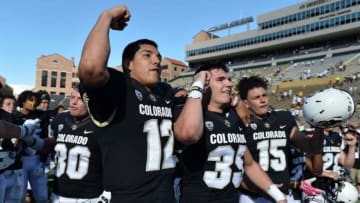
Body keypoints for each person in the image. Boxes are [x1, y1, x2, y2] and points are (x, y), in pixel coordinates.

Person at [78, 5, 189, 202]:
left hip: (166, 195)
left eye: (158, 57)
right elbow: (91, 68)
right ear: (129, 64)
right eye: (147, 55)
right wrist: (107, 16)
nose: (156, 61)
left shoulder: (164, 92)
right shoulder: (120, 86)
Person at [174, 63, 286, 203]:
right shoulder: (192, 114)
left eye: (228, 79)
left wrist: (278, 196)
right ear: (205, 84)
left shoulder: (233, 116)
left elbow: (249, 164)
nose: (228, 84)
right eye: (220, 80)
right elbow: (188, 133)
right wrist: (198, 83)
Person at [235, 76, 324, 203]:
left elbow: (310, 147)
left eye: (264, 95)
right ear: (246, 103)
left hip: (285, 194)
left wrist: (319, 125)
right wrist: (263, 189)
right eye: (256, 97)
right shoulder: (240, 124)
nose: (263, 100)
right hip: (253, 196)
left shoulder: (284, 118)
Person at [48, 86, 104, 202]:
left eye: (80, 99)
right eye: (72, 97)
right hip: (58, 193)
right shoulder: (59, 119)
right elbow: (51, 144)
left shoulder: (101, 125)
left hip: (88, 196)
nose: (73, 102)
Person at [14, 90, 52, 203]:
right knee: (19, 197)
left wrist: (44, 162)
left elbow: (46, 139)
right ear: (23, 101)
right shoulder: (15, 117)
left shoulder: (42, 115)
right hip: (20, 161)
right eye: (30, 100)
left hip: (37, 159)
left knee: (42, 196)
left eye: (36, 100)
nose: (34, 103)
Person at [302, 126, 357, 202]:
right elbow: (304, 158)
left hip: (331, 185)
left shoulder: (335, 136)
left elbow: (347, 164)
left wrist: (352, 146)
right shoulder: (310, 133)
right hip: (313, 184)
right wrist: (326, 173)